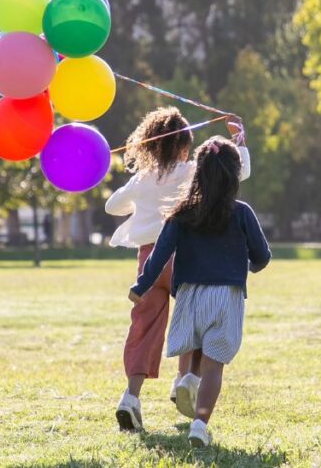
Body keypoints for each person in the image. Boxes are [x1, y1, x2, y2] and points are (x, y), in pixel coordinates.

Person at [106, 107, 250, 432]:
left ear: (149, 145)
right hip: (185, 258)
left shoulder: (142, 179)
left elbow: (111, 206)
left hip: (148, 262)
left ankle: (131, 397)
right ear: (185, 145)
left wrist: (140, 195)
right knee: (195, 322)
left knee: (143, 328)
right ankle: (185, 380)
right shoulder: (190, 172)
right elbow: (238, 173)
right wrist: (238, 140)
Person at [128, 136, 271, 448]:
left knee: (195, 344)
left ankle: (188, 378)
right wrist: (248, 266)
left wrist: (141, 286)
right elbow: (262, 255)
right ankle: (199, 424)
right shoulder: (242, 212)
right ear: (234, 175)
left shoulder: (182, 213)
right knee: (214, 365)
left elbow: (159, 255)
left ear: (198, 173)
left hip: (190, 295)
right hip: (226, 296)